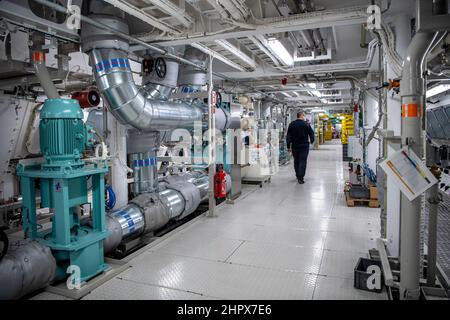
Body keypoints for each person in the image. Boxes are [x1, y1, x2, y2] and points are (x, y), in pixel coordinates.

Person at [286, 111, 315, 184]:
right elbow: (311, 133)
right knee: (303, 161)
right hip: (304, 146)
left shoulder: (291, 124)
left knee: (296, 160)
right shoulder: (306, 124)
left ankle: (297, 174)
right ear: (301, 116)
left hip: (295, 146)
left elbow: (288, 136)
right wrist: (312, 140)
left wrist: (288, 146)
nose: (304, 116)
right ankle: (300, 178)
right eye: (303, 115)